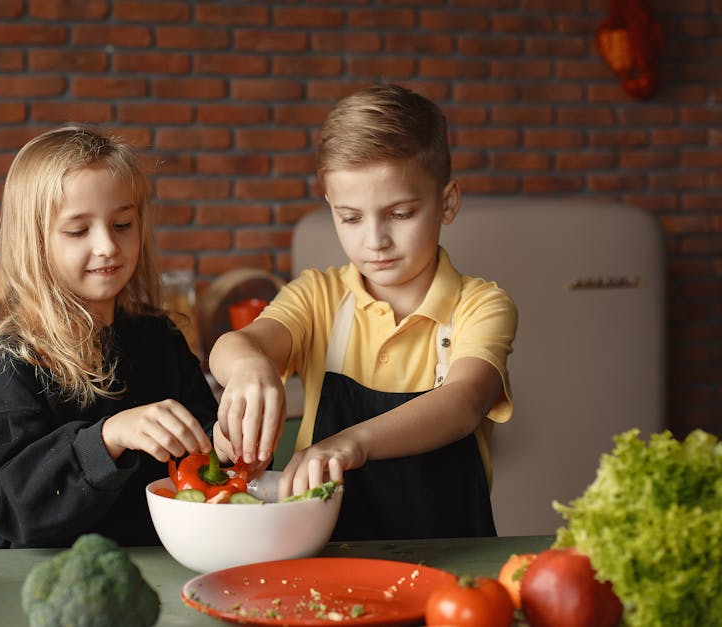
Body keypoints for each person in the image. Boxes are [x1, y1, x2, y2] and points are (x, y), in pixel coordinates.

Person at [208, 84, 517, 541]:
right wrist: (252, 369)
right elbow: (237, 345)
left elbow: (463, 403)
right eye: (351, 218)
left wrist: (349, 444)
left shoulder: (481, 305)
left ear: (447, 202)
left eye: (401, 214)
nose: (375, 241)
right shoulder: (319, 296)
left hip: (453, 559)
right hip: (325, 554)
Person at [0, 126, 217, 548]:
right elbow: (12, 512)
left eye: (122, 224)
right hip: (66, 584)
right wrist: (109, 437)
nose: (108, 245)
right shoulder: (19, 355)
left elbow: (208, 460)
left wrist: (234, 436)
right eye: (78, 231)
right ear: (35, 242)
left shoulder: (160, 336)